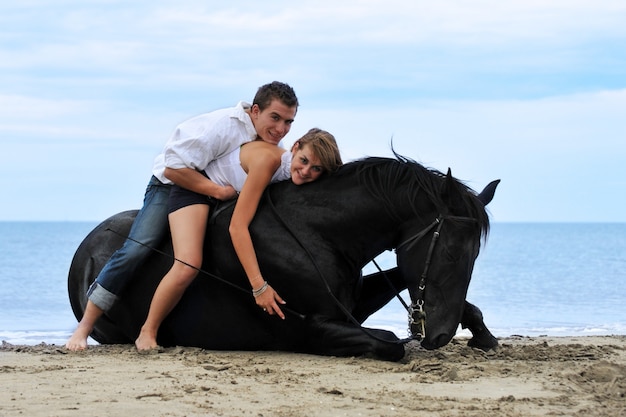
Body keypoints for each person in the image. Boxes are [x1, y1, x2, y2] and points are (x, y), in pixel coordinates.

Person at [65, 81, 299, 351]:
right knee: (138, 247)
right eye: (276, 118)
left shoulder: (266, 137)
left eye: (288, 122)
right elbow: (174, 169)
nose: (281, 129)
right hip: (171, 186)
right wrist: (216, 191)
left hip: (210, 191)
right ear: (255, 111)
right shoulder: (222, 126)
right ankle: (84, 327)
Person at [134, 128, 343, 351]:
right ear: (295, 147)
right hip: (197, 189)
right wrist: (259, 286)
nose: (305, 171)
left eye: (316, 169)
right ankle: (148, 331)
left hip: (224, 198)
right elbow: (237, 227)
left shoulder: (289, 173)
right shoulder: (268, 162)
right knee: (188, 264)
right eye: (303, 160)